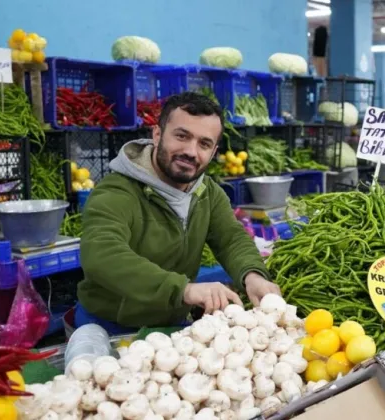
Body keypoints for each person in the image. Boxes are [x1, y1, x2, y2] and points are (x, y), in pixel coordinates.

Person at [76, 92, 280, 333]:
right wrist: (185, 290)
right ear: (157, 134)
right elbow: (102, 256)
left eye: (204, 144)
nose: (191, 151)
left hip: (172, 326)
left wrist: (252, 276)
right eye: (182, 136)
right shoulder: (117, 192)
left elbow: (231, 239)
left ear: (213, 152)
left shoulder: (207, 193)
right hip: (111, 325)